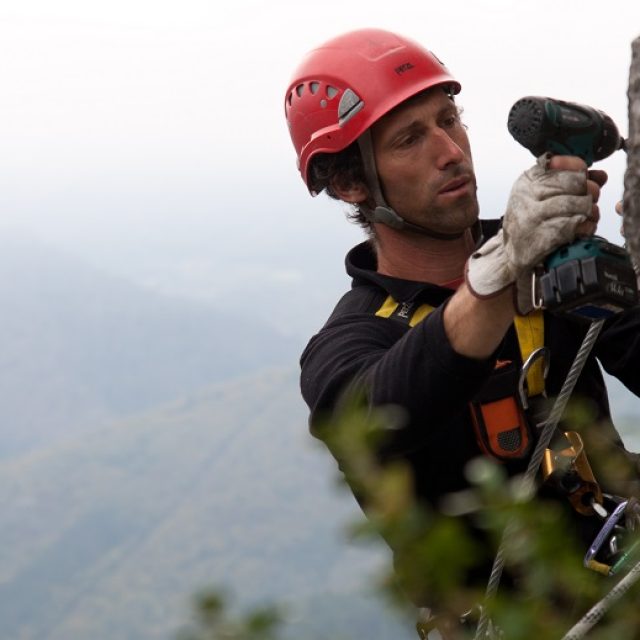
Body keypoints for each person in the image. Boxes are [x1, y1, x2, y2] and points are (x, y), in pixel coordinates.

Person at [284, 28, 640, 636]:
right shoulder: (347, 347)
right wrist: (502, 272)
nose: (449, 150)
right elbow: (383, 410)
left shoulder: (551, 255)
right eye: (409, 139)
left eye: (450, 119)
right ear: (351, 185)